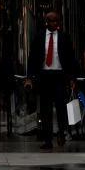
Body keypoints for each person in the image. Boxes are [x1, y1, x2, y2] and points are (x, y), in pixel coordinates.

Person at [24, 11, 78, 150]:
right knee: (45, 109)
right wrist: (29, 77)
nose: (54, 23)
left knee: (60, 107)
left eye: (56, 21)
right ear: (46, 22)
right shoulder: (39, 37)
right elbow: (33, 58)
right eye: (51, 21)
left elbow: (71, 58)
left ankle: (61, 133)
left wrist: (72, 77)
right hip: (44, 76)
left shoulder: (64, 37)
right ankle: (47, 139)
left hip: (59, 76)